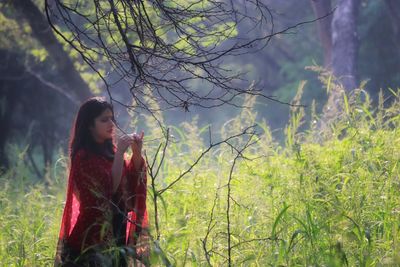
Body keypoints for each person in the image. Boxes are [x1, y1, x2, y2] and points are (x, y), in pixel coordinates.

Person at [54, 97, 150, 267]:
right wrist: (121, 152)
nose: (111, 124)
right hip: (90, 239)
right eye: (104, 120)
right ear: (90, 125)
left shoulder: (111, 151)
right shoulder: (83, 157)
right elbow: (108, 191)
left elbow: (130, 185)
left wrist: (136, 154)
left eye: (112, 118)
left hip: (117, 230)